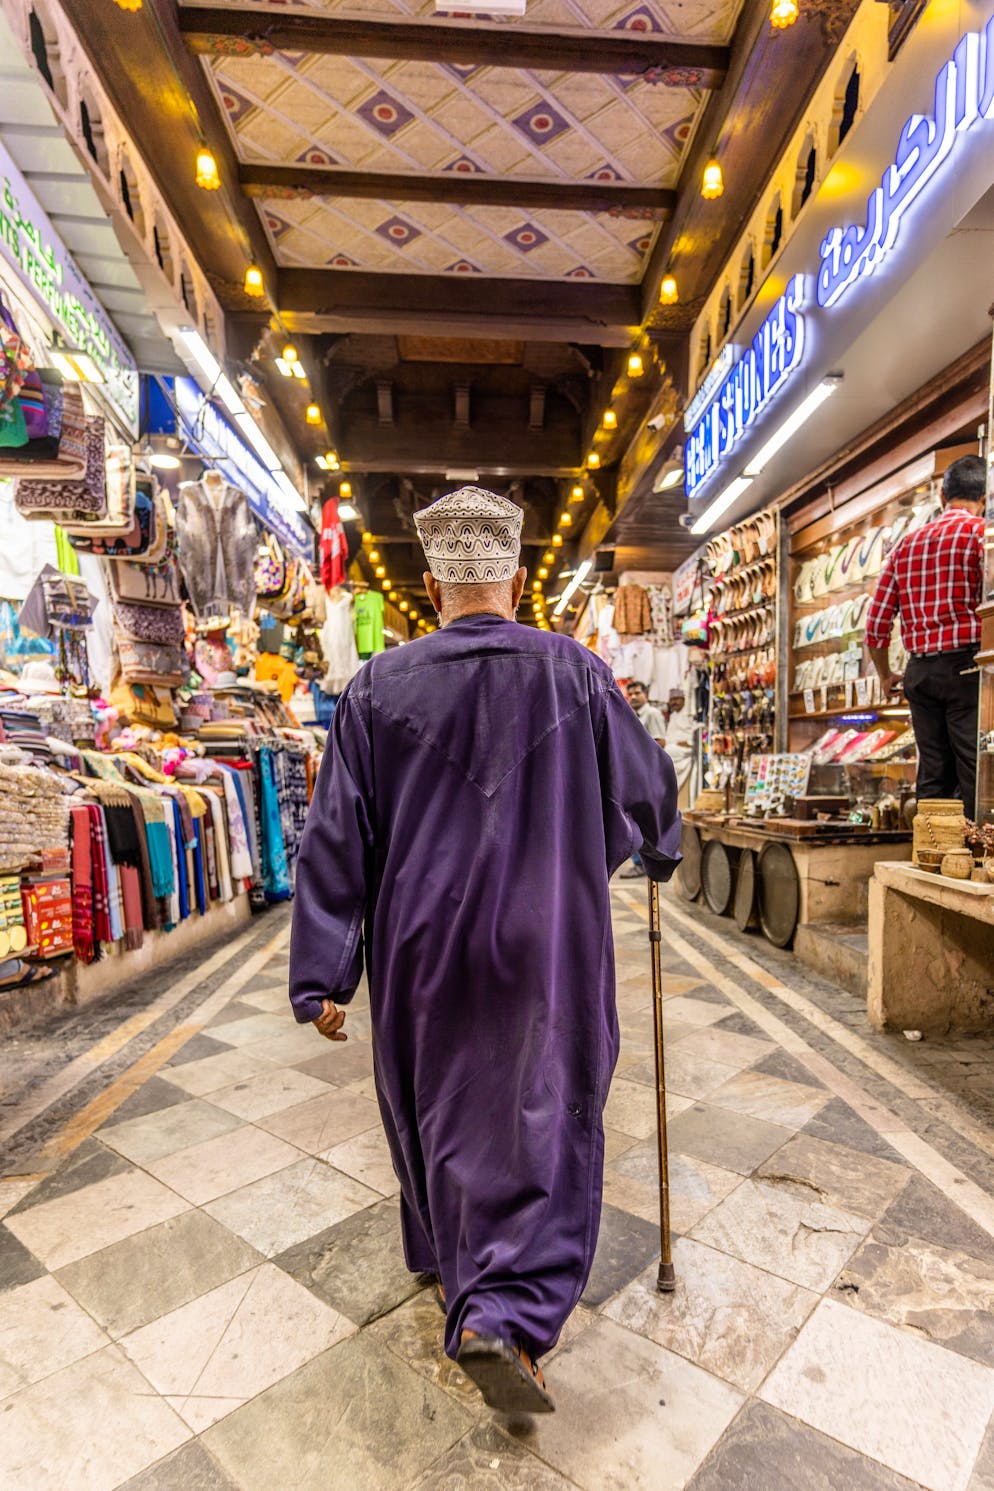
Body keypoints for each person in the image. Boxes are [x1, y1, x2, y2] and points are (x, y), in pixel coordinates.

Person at [290, 487, 681, 1415]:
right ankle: (506, 1311)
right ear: (516, 578)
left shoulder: (374, 689)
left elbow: (334, 838)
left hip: (422, 943)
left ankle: (458, 1268)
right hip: (550, 936)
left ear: (431, 588)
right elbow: (649, 789)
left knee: (437, 1102)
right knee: (546, 1101)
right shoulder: (576, 672)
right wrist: (660, 847)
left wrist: (323, 974)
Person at [866, 455, 986, 815]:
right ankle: (975, 845)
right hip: (968, 667)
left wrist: (886, 674)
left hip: (920, 672)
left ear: (942, 496)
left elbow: (876, 625)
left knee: (933, 771)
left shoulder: (905, 546)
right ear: (985, 498)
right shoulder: (982, 536)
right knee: (974, 765)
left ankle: (931, 843)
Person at [619, 680, 668, 877]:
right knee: (633, 819)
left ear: (645, 694)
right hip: (636, 774)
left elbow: (660, 742)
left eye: (637, 693)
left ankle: (645, 863)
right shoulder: (633, 715)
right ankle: (642, 862)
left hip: (647, 774)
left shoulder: (652, 714)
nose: (633, 697)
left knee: (641, 820)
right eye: (630, 694)